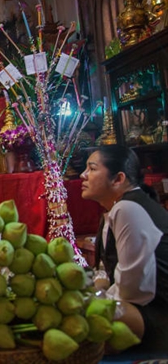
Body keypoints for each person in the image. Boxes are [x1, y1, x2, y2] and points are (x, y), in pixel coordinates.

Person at [80, 144, 168, 353]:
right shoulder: (113, 211)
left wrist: (90, 297)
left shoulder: (127, 209)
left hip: (156, 313)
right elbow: (106, 270)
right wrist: (96, 287)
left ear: (118, 179)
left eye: (92, 169)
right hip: (138, 306)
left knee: (77, 315)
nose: (83, 175)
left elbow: (133, 292)